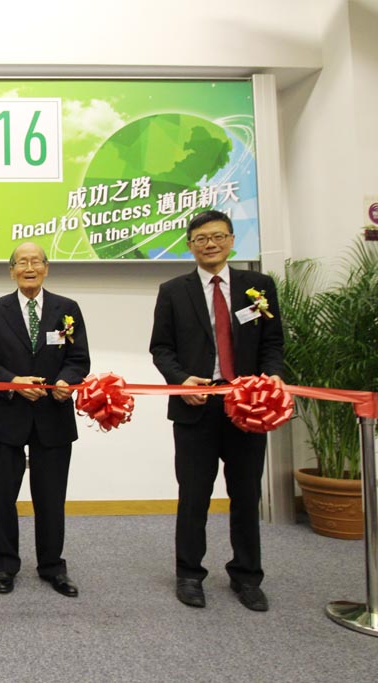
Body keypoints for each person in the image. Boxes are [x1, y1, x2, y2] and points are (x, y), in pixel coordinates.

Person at [149, 209, 284, 612]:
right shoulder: (173, 290)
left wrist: (272, 378)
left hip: (248, 406)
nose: (210, 243)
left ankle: (247, 576)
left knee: (246, 495)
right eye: (201, 238)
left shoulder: (257, 287)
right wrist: (181, 379)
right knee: (194, 495)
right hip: (196, 407)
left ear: (231, 240)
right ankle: (189, 574)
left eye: (218, 236)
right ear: (190, 246)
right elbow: (161, 348)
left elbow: (272, 343)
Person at [0, 242, 90, 597]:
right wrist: (13, 382)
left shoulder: (67, 309)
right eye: (22, 262)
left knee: (51, 496)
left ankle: (52, 565)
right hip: (8, 413)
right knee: (3, 496)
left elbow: (79, 358)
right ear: (11, 271)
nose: (29, 267)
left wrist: (68, 380)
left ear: (47, 268)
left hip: (53, 414)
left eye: (36, 261)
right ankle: (4, 565)